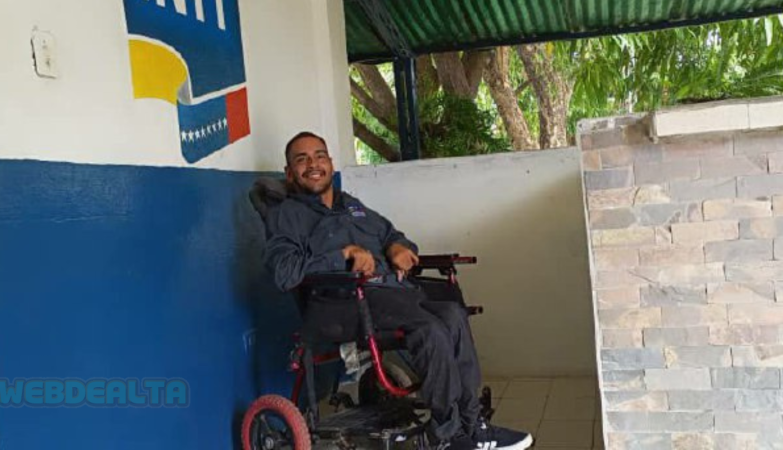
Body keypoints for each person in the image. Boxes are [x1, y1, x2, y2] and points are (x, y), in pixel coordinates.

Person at [264, 131, 533, 450]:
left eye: (319, 156)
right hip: (341, 304)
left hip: (393, 294)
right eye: (302, 159)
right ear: (289, 173)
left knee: (452, 313)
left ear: (330, 163)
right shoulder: (287, 215)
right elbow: (284, 273)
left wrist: (398, 247)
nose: (313, 164)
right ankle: (448, 436)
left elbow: (391, 234)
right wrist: (343, 255)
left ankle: (473, 425)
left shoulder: (351, 206)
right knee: (429, 328)